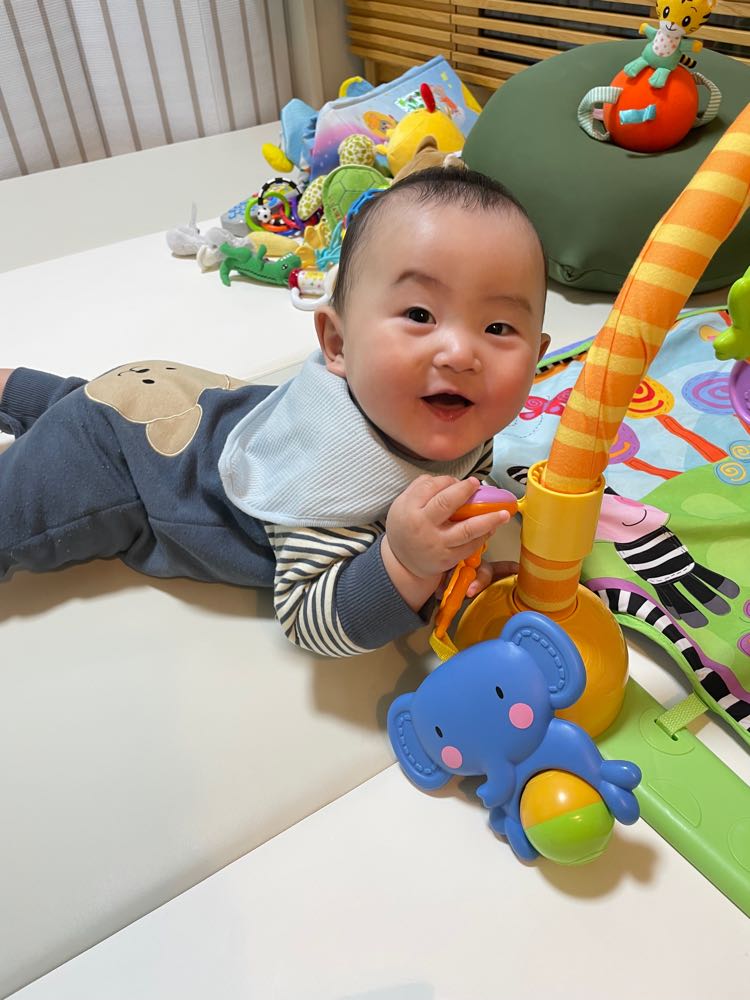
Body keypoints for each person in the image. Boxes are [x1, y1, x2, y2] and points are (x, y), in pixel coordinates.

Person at [0, 167, 550, 657]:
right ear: (337, 343)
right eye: (420, 314)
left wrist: (448, 566)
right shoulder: (327, 472)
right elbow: (306, 617)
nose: (460, 354)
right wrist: (406, 565)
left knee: (100, 400)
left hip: (173, 399)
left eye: (498, 327)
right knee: (39, 478)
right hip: (125, 467)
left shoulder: (461, 421)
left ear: (538, 357)